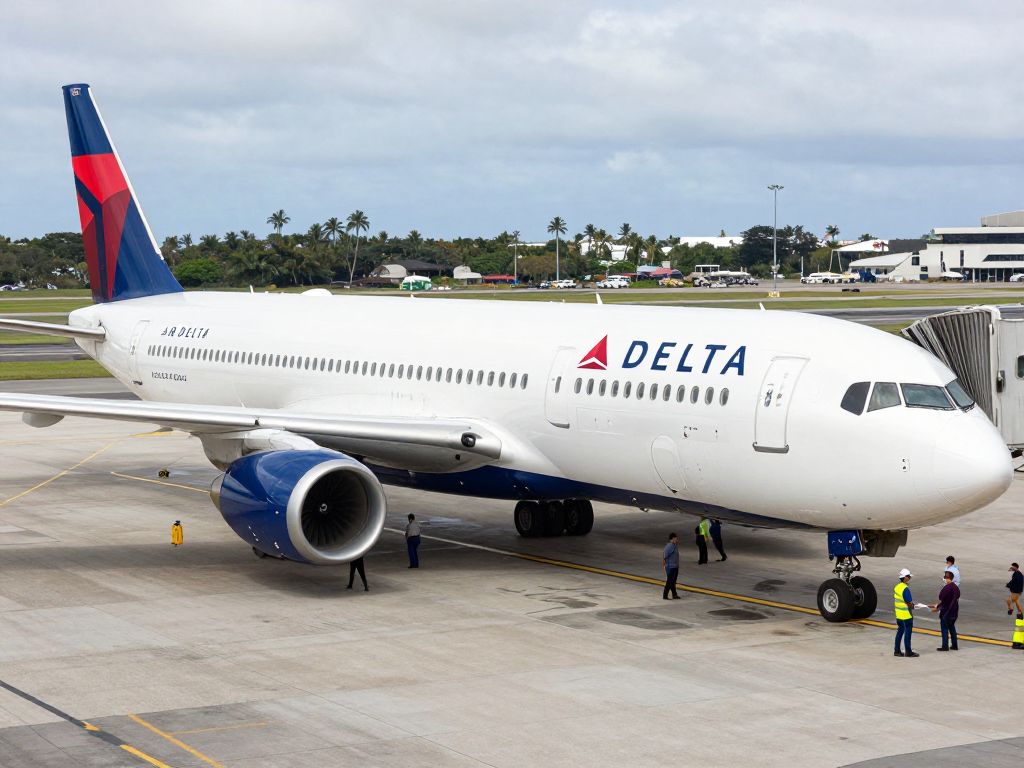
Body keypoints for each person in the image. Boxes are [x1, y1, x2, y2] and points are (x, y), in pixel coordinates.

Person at [930, 570, 959, 651]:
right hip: (954, 612)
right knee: (952, 628)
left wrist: (938, 607)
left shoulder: (946, 588)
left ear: (947, 578)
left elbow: (942, 598)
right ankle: (954, 645)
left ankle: (945, 646)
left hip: (946, 612)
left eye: (944, 577)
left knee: (944, 629)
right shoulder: (956, 588)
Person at [893, 568, 919, 657]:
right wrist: (914, 606)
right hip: (906, 615)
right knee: (908, 633)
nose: (909, 578)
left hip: (898, 615)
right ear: (905, 578)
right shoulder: (905, 589)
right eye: (908, 576)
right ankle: (908, 652)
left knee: (899, 632)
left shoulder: (897, 587)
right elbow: (909, 603)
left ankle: (897, 651)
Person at [663, 532, 680, 599]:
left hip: (675, 566)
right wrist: (666, 565)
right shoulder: (669, 546)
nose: (677, 540)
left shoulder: (674, 545)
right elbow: (665, 556)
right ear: (672, 539)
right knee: (669, 581)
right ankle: (665, 595)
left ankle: (674, 594)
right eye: (676, 538)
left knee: (673, 582)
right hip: (671, 567)